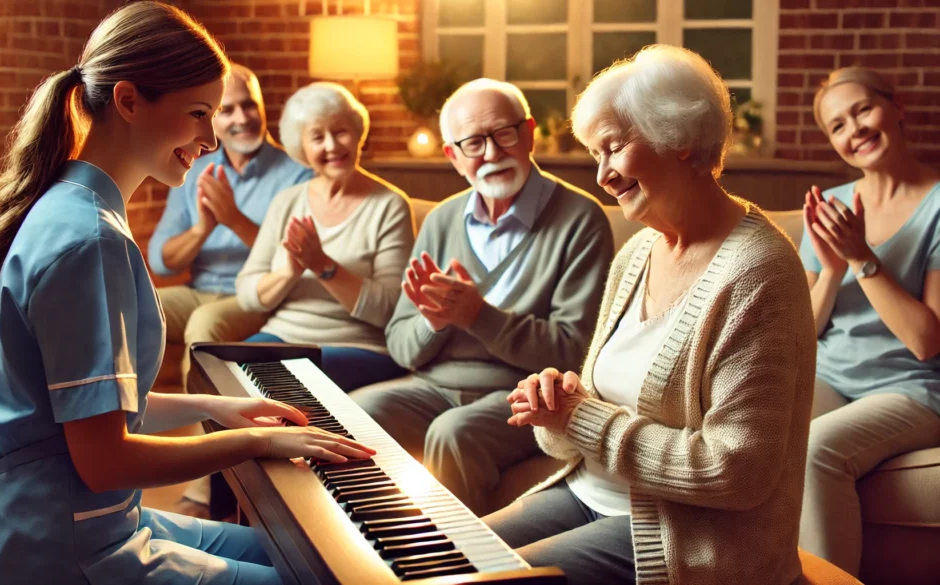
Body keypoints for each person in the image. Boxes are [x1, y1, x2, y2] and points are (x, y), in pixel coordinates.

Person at [0, 4, 372, 584]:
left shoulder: (68, 205)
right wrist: (256, 440)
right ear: (129, 100)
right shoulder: (89, 240)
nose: (211, 139)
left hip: (75, 519)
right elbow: (105, 459)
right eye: (198, 113)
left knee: (308, 553)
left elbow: (85, 413)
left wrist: (215, 408)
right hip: (64, 545)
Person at [487, 45, 816, 585]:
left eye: (613, 149)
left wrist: (582, 419)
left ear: (680, 138)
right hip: (588, 493)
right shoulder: (636, 253)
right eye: (596, 155)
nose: (603, 176)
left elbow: (738, 470)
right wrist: (556, 410)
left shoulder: (760, 271)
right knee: (442, 551)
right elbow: (593, 411)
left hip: (692, 537)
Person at [350, 78, 613, 516]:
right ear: (453, 156)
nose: (491, 153)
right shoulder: (441, 220)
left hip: (522, 394)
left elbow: (576, 351)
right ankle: (366, 556)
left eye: (503, 134)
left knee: (453, 433)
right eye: (473, 142)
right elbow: (399, 344)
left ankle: (455, 571)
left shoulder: (580, 220)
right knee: (358, 414)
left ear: (528, 133)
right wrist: (434, 322)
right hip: (434, 385)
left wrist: (477, 316)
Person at [798, 66, 940, 577]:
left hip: (911, 389)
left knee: (815, 449)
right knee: (751, 417)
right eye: (837, 125)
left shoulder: (939, 204)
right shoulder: (832, 205)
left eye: (862, 110)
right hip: (831, 376)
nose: (853, 129)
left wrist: (861, 257)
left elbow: (925, 340)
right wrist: (832, 273)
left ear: (896, 107)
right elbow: (804, 335)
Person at [235, 82, 414, 392]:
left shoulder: (389, 206)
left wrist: (322, 266)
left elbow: (391, 308)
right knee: (223, 372)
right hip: (283, 337)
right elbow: (247, 292)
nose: (332, 146)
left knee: (282, 382)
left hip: (360, 346)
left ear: (358, 133)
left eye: (341, 131)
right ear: (302, 147)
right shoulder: (287, 201)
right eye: (317, 136)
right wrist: (288, 272)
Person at [147, 63, 312, 388]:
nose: (241, 118)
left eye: (249, 104)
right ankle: (117, 424)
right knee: (128, 305)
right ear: (212, 121)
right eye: (227, 110)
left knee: (204, 323)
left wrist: (234, 219)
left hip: (258, 298)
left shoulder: (299, 174)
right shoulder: (193, 170)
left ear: (263, 105)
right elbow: (160, 262)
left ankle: (205, 434)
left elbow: (298, 258)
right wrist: (201, 230)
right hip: (198, 291)